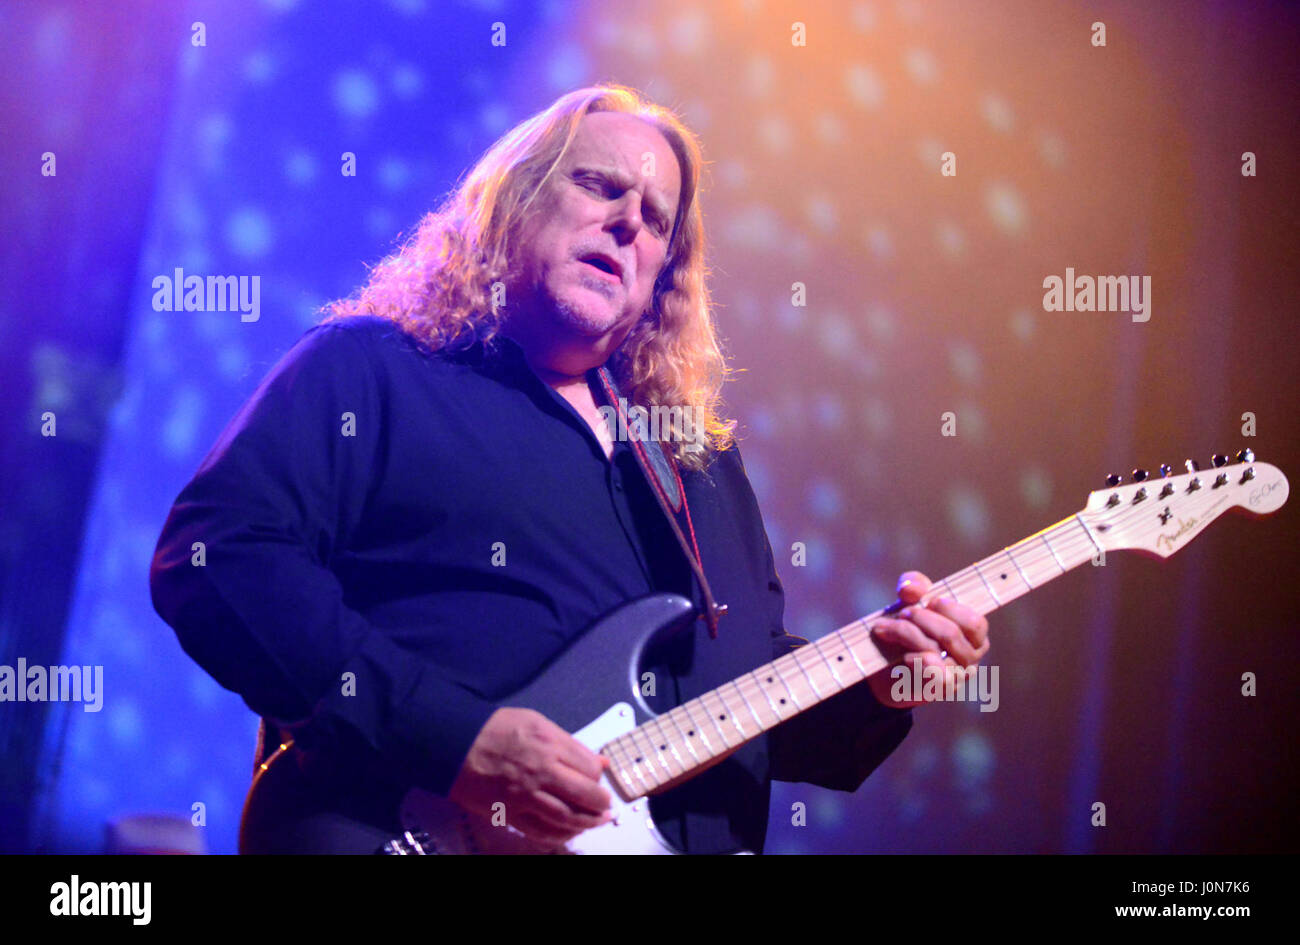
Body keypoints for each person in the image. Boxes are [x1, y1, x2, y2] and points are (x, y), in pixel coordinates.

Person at [149, 85, 991, 855]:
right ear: (514, 202)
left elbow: (740, 695)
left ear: (665, 274)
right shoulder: (377, 369)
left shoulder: (696, 462)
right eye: (600, 187)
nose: (630, 222)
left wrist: (880, 684)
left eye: (659, 219)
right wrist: (456, 741)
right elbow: (217, 557)